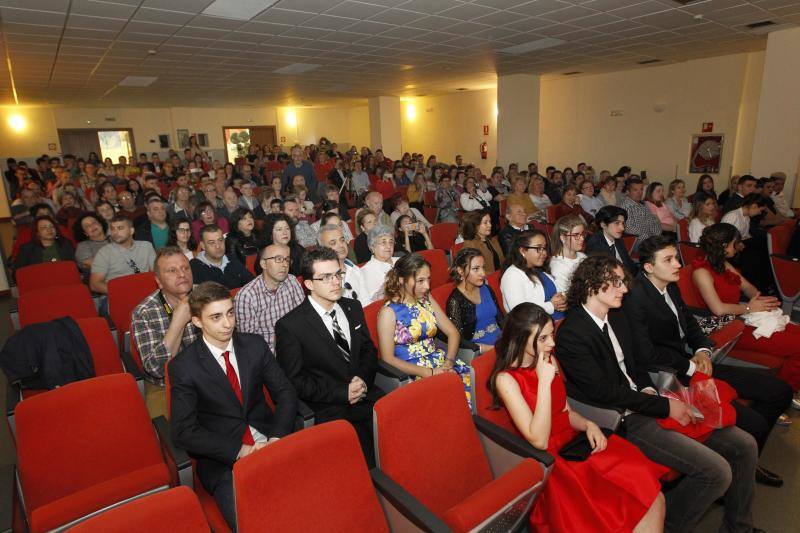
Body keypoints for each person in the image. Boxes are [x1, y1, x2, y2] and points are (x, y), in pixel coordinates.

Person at [556, 254, 759, 533]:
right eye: (616, 283)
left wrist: (655, 392)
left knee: (745, 445)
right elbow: (603, 393)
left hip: (649, 400)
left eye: (623, 282)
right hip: (626, 418)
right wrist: (662, 406)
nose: (625, 289)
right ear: (591, 284)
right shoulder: (572, 333)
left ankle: (739, 527)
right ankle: (670, 525)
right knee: (717, 472)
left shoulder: (615, 316)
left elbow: (636, 365)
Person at [625, 235, 793, 485]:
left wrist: (703, 350)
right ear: (649, 267)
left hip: (693, 361)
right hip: (671, 374)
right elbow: (647, 354)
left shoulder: (669, 285)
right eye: (668, 260)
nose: (677, 265)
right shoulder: (635, 298)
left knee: (781, 391)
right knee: (755, 424)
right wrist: (692, 364)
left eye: (676, 258)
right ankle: (741, 471)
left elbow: (690, 324)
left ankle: (744, 463)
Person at [490, 303, 666, 533]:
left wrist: (588, 424)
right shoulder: (506, 380)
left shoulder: (547, 359)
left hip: (574, 443)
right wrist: (543, 382)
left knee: (652, 496)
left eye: (551, 335)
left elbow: (565, 412)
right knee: (619, 514)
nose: (552, 343)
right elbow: (539, 440)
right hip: (552, 463)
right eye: (543, 338)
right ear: (522, 340)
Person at [170, 281, 297, 531]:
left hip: (270, 439)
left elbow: (286, 392)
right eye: (216, 317)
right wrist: (240, 450)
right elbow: (183, 431)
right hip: (223, 459)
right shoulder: (184, 366)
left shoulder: (254, 345)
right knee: (253, 523)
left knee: (309, 502)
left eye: (230, 313)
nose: (228, 323)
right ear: (197, 322)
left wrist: (277, 436)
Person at [275, 248, 384, 466]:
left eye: (338, 274)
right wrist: (342, 392)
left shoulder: (352, 307)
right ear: (309, 284)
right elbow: (295, 381)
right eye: (326, 277)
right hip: (329, 407)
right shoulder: (291, 326)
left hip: (366, 393)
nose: (335, 282)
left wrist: (361, 379)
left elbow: (368, 351)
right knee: (366, 463)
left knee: (403, 435)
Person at [694, 223, 800, 393]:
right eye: (736, 243)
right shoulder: (701, 272)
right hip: (727, 327)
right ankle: (784, 390)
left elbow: (749, 289)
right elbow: (719, 310)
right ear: (724, 246)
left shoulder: (723, 264)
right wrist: (750, 308)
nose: (740, 247)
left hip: (741, 316)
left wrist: (759, 300)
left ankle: (786, 383)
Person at [377, 253, 472, 405]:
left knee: (469, 385)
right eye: (420, 281)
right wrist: (429, 372)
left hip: (439, 362)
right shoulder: (388, 313)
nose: (427, 286)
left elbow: (453, 332)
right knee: (448, 398)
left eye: (428, 279)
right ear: (402, 280)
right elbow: (388, 358)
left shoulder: (426, 299)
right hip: (411, 371)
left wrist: (449, 361)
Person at [131, 246, 198, 417]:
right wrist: (178, 321)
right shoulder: (144, 312)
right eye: (172, 270)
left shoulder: (206, 295)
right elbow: (157, 369)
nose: (182, 274)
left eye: (185, 268)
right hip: (167, 385)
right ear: (159, 281)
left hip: (209, 374)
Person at [234, 243, 304, 355]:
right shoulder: (247, 296)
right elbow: (249, 343)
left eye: (287, 260)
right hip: (268, 355)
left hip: (297, 347)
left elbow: (303, 317)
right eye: (278, 259)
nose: (285, 264)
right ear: (263, 264)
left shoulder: (292, 281)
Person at [445, 247, 503, 353]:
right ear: (461, 271)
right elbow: (459, 340)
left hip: (502, 343)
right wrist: (488, 349)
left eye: (483, 267)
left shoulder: (487, 289)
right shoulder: (455, 301)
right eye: (476, 269)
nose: (483, 273)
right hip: (480, 351)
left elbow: (501, 320)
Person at [501, 231, 566, 319]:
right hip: (535, 329)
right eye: (538, 248)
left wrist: (562, 301)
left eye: (544, 248)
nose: (544, 253)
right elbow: (520, 313)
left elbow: (557, 292)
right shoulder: (512, 275)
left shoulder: (537, 268)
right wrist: (551, 306)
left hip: (557, 321)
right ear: (522, 250)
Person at [90, 216, 156, 294]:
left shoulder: (146, 246)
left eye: (120, 228)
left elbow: (155, 273)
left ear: (131, 231)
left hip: (147, 291)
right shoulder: (104, 252)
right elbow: (95, 285)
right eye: (112, 229)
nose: (115, 232)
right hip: (119, 295)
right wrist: (123, 292)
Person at [190, 225, 254, 290]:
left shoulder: (232, 259)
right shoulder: (195, 266)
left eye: (220, 240)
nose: (218, 246)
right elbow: (199, 297)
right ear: (203, 246)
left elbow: (252, 283)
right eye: (212, 243)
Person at [319, 224, 368, 303]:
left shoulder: (355, 270)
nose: (341, 245)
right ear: (322, 249)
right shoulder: (322, 278)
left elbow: (366, 302)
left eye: (342, 240)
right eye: (333, 243)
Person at [585, 205, 637, 275]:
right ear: (603, 225)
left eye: (623, 223)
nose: (622, 228)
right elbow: (602, 275)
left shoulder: (618, 239)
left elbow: (628, 263)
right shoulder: (594, 245)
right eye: (617, 223)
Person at [360, 225, 398, 305]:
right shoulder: (367, 271)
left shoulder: (400, 260)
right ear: (372, 247)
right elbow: (375, 303)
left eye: (391, 242)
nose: (388, 246)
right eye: (383, 242)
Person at [549, 214, 587, 293]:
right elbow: (566, 298)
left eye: (582, 234)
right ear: (563, 238)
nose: (582, 238)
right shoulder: (558, 267)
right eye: (576, 235)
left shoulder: (582, 256)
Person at [620, 178, 663, 245]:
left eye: (641, 189)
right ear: (628, 191)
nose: (639, 193)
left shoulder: (643, 206)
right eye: (635, 190)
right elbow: (627, 228)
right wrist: (648, 229)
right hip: (636, 242)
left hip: (651, 239)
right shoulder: (625, 207)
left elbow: (656, 224)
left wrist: (655, 236)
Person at [262, 212, 305, 277]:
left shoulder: (299, 249)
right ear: (271, 234)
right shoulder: (265, 254)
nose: (285, 232)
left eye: (287, 228)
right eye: (279, 229)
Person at [73, 212, 109, 277]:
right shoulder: (83, 246)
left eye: (94, 223)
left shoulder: (115, 238)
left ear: (100, 224)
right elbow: (95, 264)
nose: (92, 226)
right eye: (87, 226)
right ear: (85, 233)